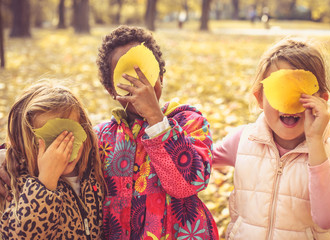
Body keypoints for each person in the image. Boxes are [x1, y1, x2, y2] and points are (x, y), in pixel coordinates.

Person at [213, 37, 330, 239]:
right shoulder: (242, 140)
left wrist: (315, 144)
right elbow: (193, 162)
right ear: (260, 98)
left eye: (300, 94)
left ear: (322, 101)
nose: (288, 105)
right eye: (280, 92)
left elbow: (328, 219)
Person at [94, 25, 218, 239]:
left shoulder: (190, 122)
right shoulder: (101, 138)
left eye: (147, 73)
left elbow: (190, 183)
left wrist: (157, 122)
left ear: (161, 76)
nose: (141, 87)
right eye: (126, 79)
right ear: (111, 90)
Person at [0, 81, 105, 239]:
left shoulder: (95, 169)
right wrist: (45, 182)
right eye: (50, 141)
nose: (62, 151)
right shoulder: (15, 185)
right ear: (24, 144)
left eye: (70, 135)